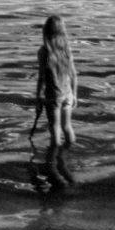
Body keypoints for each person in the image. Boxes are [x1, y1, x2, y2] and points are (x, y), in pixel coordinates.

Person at [33, 15, 78, 148]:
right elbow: (74, 75)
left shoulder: (44, 52)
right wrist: (74, 95)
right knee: (67, 127)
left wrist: (38, 98)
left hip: (53, 96)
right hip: (68, 94)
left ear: (45, 31)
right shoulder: (66, 50)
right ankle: (71, 150)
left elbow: (41, 78)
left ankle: (54, 162)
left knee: (55, 130)